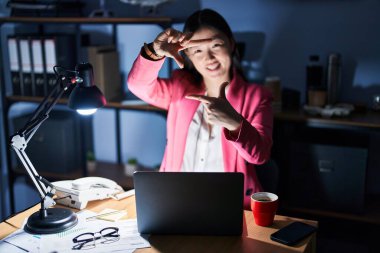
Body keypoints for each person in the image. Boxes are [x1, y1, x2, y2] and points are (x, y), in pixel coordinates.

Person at [127, 9, 273, 209]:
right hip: (175, 201)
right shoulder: (179, 89)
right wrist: (154, 51)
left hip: (230, 206)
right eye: (198, 50)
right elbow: (138, 86)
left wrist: (233, 121)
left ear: (231, 44)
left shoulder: (256, 96)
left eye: (216, 45)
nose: (209, 57)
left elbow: (260, 155)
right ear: (187, 55)